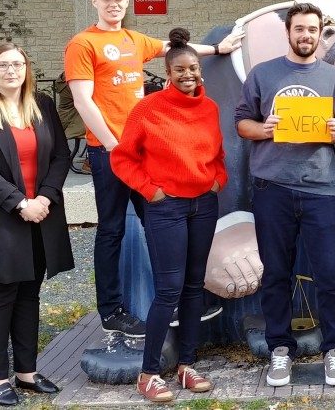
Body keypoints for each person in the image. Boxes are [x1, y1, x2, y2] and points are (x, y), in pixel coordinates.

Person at [65, 0, 239, 338]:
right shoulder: (83, 44)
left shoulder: (132, 39)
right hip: (109, 152)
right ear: (94, 1)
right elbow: (82, 100)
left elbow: (172, 50)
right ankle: (111, 311)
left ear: (127, 2)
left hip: (145, 154)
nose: (113, 4)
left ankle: (176, 300)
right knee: (111, 230)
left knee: (159, 224)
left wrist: (219, 49)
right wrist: (115, 145)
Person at [234, 2, 335, 387]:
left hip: (320, 188)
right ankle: (280, 350)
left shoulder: (334, 77)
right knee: (276, 274)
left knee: (331, 273)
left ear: (321, 34)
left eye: (312, 30)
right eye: (299, 28)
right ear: (288, 32)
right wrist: (265, 128)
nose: (306, 35)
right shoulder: (262, 74)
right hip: (273, 188)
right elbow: (242, 124)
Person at [111, 29, 228, 403]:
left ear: (200, 69)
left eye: (193, 68)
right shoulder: (147, 109)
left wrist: (217, 181)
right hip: (167, 208)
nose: (188, 75)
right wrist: (151, 191)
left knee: (195, 286)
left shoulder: (209, 108)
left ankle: (187, 364)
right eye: (180, 70)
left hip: (204, 205)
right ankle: (148, 373)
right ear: (167, 72)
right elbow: (122, 158)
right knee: (169, 290)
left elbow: (218, 156)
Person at [0, 43, 74, 406]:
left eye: (18, 64)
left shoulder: (42, 105)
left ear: (27, 68)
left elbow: (60, 155)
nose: (11, 70)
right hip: (0, 217)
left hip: (41, 214)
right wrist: (18, 202)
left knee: (29, 294)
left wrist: (44, 198)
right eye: (3, 65)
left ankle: (26, 372)